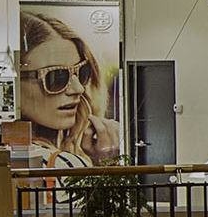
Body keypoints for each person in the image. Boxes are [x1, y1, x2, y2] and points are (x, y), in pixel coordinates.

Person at [12, 11, 124, 168]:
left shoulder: (9, 153)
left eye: (82, 72)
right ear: (15, 82)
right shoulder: (62, 163)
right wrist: (109, 164)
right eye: (57, 77)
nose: (78, 89)